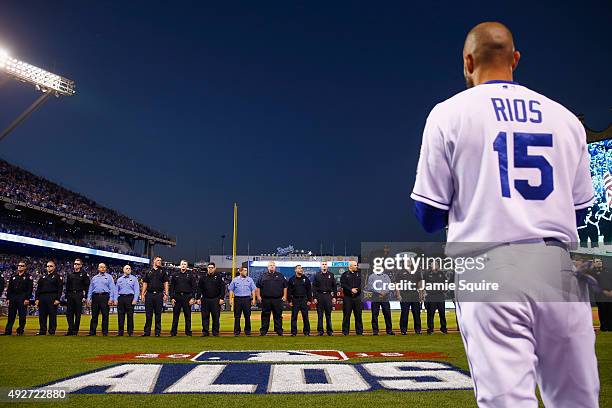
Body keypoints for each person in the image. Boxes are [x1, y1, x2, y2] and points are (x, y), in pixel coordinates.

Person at [411, 22, 599, 406]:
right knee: (578, 400)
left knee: (507, 401)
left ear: (467, 61)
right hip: (558, 265)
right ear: (515, 59)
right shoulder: (564, 118)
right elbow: (581, 209)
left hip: (488, 264)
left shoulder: (450, 113)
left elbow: (428, 213)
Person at [2, 260, 33, 336]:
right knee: (11, 315)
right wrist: (8, 298)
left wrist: (27, 298)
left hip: (22, 297)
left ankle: (20, 330)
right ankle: (8, 331)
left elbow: (30, 289)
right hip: (13, 297)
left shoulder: (28, 277)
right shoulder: (13, 276)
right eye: (19, 265)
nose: (20, 266)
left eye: (22, 265)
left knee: (22, 315)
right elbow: (9, 289)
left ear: (25, 267)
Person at [256, 261, 287, 336]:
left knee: (278, 315)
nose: (272, 266)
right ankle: (263, 331)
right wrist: (258, 296)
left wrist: (285, 296)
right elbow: (258, 287)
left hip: (277, 299)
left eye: (273, 265)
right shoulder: (263, 276)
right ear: (268, 267)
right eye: (270, 265)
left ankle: (279, 330)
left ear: (275, 267)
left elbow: (285, 286)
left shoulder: (280, 276)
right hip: (266, 299)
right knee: (265, 315)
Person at [141, 256, 169, 337]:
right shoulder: (148, 271)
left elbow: (166, 283)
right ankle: (147, 332)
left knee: (158, 314)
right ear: (154, 261)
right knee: (148, 314)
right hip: (149, 294)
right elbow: (145, 283)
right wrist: (142, 294)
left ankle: (157, 332)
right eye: (158, 260)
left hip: (159, 294)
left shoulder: (163, 271)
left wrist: (166, 294)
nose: (160, 261)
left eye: (160, 260)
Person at [87, 263, 116, 336]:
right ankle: (92, 332)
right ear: (98, 268)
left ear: (105, 268)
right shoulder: (94, 278)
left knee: (105, 315)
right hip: (95, 297)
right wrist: (88, 298)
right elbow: (91, 289)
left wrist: (111, 298)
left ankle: (105, 332)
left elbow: (112, 288)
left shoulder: (109, 277)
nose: (102, 268)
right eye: (101, 267)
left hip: (105, 297)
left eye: (104, 267)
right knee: (94, 315)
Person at [35, 260, 63, 335]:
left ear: (54, 267)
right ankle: (42, 330)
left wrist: (58, 299)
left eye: (51, 266)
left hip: (52, 296)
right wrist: (37, 299)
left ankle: (52, 331)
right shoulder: (43, 277)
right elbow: (38, 289)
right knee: (42, 315)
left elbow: (60, 289)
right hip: (42, 297)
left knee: (52, 315)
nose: (49, 267)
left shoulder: (58, 277)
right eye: (47, 266)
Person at [197, 262, 225, 336]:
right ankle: (205, 332)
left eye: (212, 268)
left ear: (214, 268)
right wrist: (198, 298)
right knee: (205, 316)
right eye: (209, 268)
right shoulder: (203, 277)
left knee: (216, 317)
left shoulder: (219, 277)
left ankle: (215, 332)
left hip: (215, 299)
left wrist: (221, 298)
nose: (210, 269)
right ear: (207, 268)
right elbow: (199, 288)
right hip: (205, 299)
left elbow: (223, 288)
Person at [170, 260, 197, 336]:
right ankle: (173, 332)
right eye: (182, 264)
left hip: (187, 296)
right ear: (180, 265)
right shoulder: (175, 275)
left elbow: (194, 287)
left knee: (188, 315)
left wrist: (192, 298)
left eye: (185, 264)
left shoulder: (191, 275)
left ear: (187, 266)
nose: (183, 265)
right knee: (175, 315)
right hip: (177, 296)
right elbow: (172, 287)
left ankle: (188, 332)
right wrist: (172, 297)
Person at [228, 266, 257, 336]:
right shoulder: (235, 280)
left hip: (247, 299)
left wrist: (253, 299)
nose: (245, 272)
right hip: (237, 299)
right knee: (237, 316)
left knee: (247, 316)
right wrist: (230, 299)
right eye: (244, 270)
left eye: (246, 270)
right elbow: (231, 290)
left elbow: (253, 290)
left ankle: (247, 331)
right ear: (240, 271)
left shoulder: (250, 280)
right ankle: (237, 331)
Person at [397, 259, 423, 335]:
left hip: (414, 294)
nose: (408, 262)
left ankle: (418, 330)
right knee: (404, 313)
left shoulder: (416, 271)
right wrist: (398, 295)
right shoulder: (400, 272)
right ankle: (403, 330)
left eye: (409, 261)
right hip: (404, 294)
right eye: (407, 261)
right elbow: (397, 285)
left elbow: (419, 284)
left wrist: (421, 294)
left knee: (417, 313)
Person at [64, 258, 90, 336]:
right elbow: (67, 286)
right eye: (75, 264)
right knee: (69, 313)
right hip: (70, 295)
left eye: (78, 264)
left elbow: (87, 286)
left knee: (78, 314)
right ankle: (70, 330)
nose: (76, 265)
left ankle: (75, 330)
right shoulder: (70, 274)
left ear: (81, 265)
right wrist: (66, 296)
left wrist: (85, 297)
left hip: (79, 295)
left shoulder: (84, 274)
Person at [367, 269, 395, 335]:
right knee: (374, 314)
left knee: (387, 314)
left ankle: (389, 330)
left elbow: (389, 286)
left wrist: (384, 292)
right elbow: (370, 287)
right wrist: (380, 292)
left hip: (385, 297)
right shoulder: (371, 276)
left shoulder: (386, 276)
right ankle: (375, 331)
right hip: (375, 297)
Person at [313, 261, 337, 336]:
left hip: (328, 296)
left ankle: (329, 331)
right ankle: (320, 331)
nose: (324, 266)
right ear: (321, 266)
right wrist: (315, 297)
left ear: (327, 266)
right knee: (320, 315)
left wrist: (334, 297)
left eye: (325, 264)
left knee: (328, 315)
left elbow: (334, 287)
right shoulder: (317, 275)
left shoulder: (331, 275)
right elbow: (314, 287)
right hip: (320, 296)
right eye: (323, 264)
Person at [287, 265, 312, 336]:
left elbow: (309, 290)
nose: (300, 269)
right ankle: (293, 332)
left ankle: (306, 332)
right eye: (299, 268)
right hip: (295, 300)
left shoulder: (306, 279)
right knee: (294, 317)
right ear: (295, 270)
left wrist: (309, 300)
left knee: (305, 317)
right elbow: (289, 291)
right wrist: (290, 301)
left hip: (304, 299)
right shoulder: (292, 279)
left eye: (301, 268)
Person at [115, 265, 139, 336]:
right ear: (123, 270)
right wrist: (116, 299)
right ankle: (120, 332)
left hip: (130, 298)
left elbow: (137, 290)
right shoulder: (119, 279)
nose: (128, 269)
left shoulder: (134, 279)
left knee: (130, 316)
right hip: (121, 298)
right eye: (127, 268)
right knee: (120, 316)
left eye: (129, 268)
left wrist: (135, 299)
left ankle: (130, 332)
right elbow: (116, 290)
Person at [423, 263, 447, 334]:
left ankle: (444, 329)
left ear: (438, 266)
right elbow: (423, 284)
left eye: (436, 265)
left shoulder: (441, 273)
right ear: (431, 266)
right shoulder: (427, 274)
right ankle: (430, 329)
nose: (435, 266)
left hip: (440, 296)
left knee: (442, 313)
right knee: (430, 314)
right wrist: (424, 293)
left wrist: (445, 289)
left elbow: (445, 282)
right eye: (433, 265)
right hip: (431, 296)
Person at [340, 260, 363, 335]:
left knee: (358, 315)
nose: (357, 267)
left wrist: (357, 290)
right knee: (346, 315)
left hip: (357, 297)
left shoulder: (359, 274)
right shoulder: (344, 274)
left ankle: (359, 332)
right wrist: (351, 289)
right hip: (348, 297)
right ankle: (345, 332)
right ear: (350, 266)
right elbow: (343, 284)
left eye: (356, 265)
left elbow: (362, 284)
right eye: (355, 265)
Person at [590, 258, 612, 331]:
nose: (599, 262)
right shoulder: (592, 272)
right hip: (600, 295)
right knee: (602, 311)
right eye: (597, 261)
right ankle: (603, 326)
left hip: (611, 294)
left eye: (600, 261)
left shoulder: (608, 270)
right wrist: (603, 291)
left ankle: (610, 326)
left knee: (610, 310)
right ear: (594, 263)